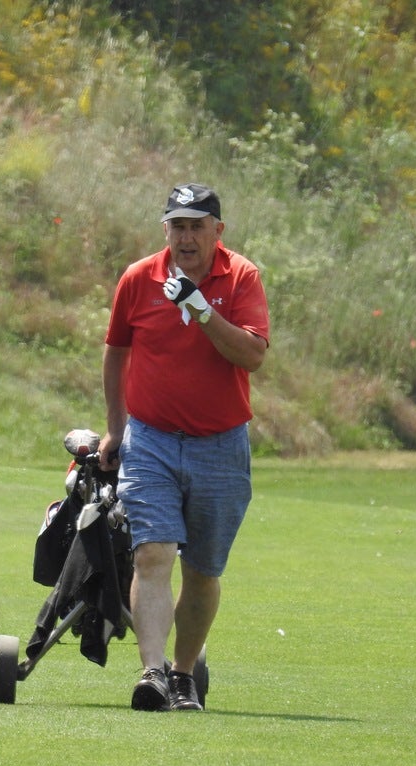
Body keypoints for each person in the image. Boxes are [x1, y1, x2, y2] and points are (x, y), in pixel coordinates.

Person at [97, 183, 269, 711]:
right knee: (153, 553)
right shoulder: (138, 277)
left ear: (218, 231)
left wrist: (199, 308)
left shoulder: (241, 277)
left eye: (198, 226)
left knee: (202, 570)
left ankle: (184, 673)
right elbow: (116, 353)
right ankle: (151, 673)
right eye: (179, 225)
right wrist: (116, 427)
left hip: (219, 444)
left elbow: (252, 355)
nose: (187, 236)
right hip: (151, 438)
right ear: (164, 228)